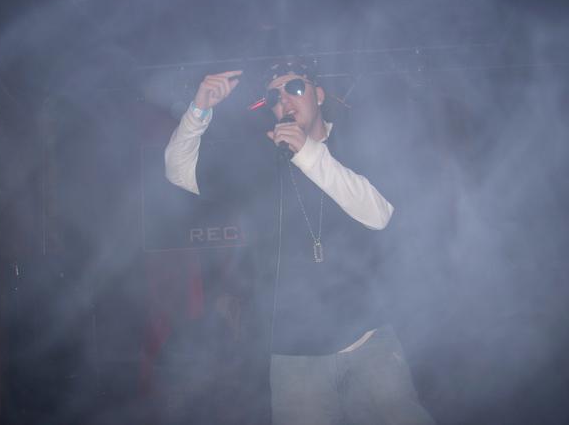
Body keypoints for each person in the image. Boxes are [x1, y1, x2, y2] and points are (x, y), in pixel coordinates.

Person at [165, 60, 435, 425]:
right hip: (294, 357)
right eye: (273, 97)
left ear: (319, 95)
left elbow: (380, 214)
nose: (284, 101)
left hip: (368, 341)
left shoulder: (356, 141)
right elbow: (179, 172)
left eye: (294, 88)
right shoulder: (260, 160)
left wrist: (307, 153)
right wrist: (199, 110)